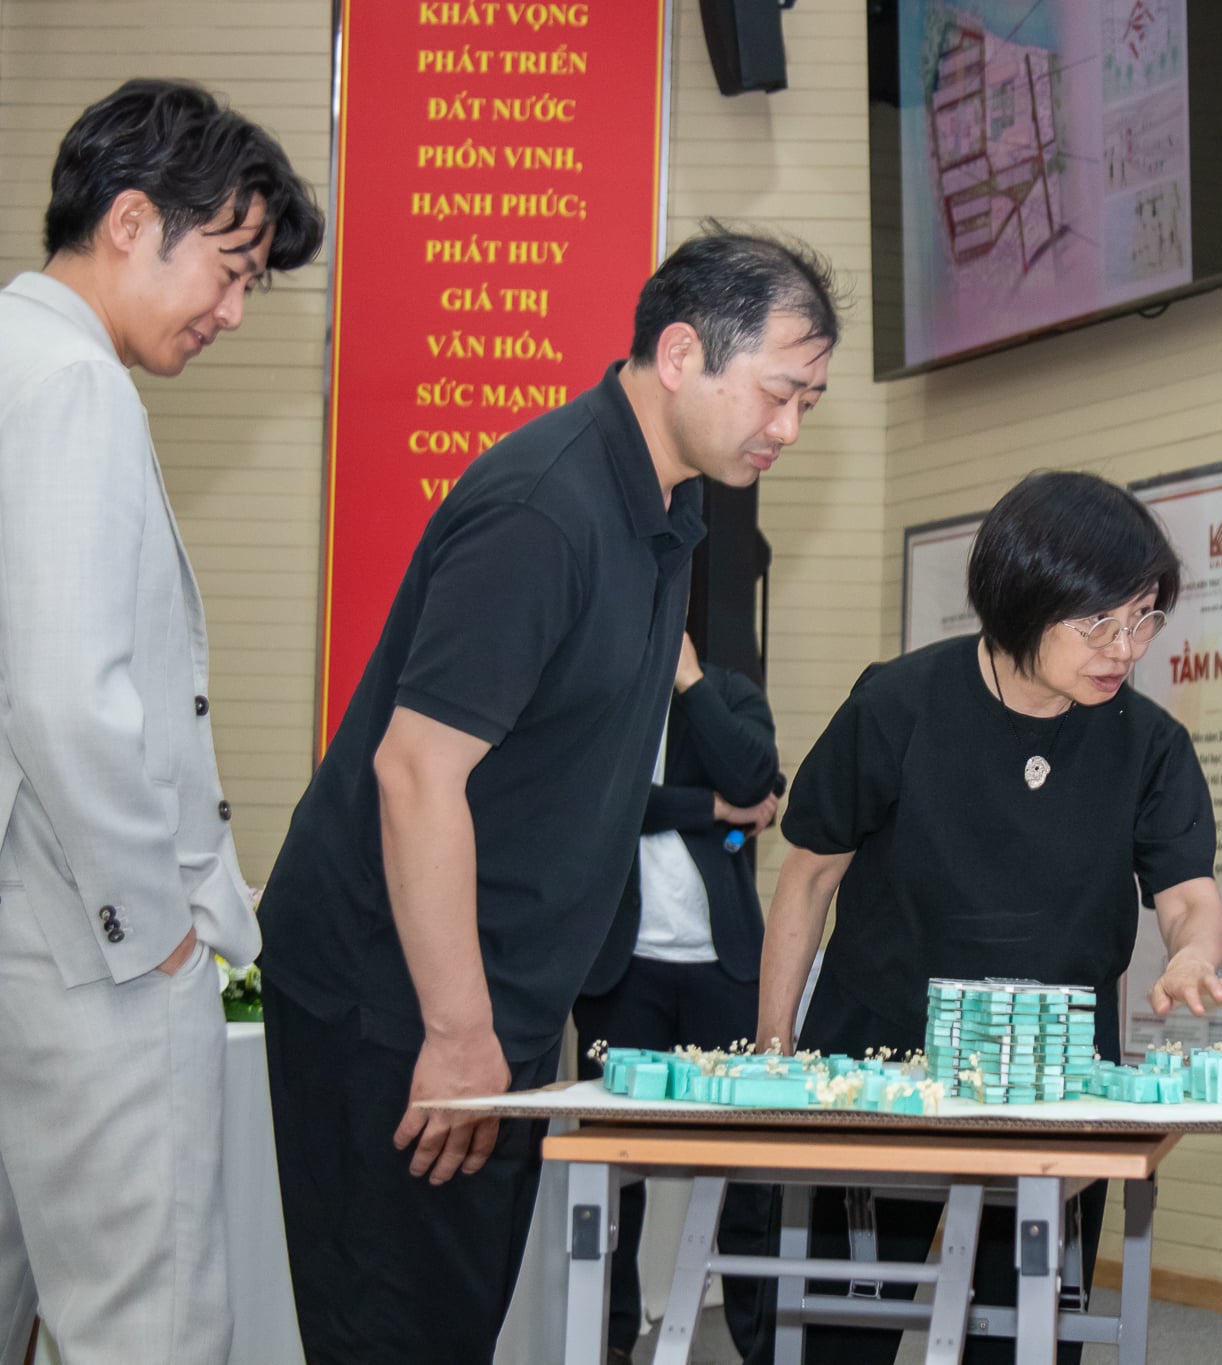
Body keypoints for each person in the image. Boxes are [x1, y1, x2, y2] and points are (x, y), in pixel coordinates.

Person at [255, 225, 839, 1364]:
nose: (788, 429)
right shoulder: (546, 506)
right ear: (683, 354)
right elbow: (415, 769)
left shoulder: (666, 513)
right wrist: (458, 1030)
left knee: (452, 1327)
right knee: (396, 1334)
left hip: (495, 1000)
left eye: (808, 404)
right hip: (397, 994)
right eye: (779, 394)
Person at [748, 469, 1222, 1364]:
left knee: (1030, 1339)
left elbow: (1188, 896)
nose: (1125, 647)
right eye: (1099, 622)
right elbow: (811, 874)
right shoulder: (898, 704)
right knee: (840, 1332)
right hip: (881, 1065)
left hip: (1057, 1083)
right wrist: (775, 1050)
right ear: (1022, 598)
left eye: (1144, 619)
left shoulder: (1149, 743)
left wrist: (1192, 956)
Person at [0, 79, 322, 1365]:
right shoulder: (73, 384)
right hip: (89, 942)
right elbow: (67, 698)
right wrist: (162, 937)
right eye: (231, 270)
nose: (234, 312)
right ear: (132, 222)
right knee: (151, 1326)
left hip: (33, 913)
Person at [573, 632, 783, 1363]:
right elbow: (602, 800)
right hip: (621, 969)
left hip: (724, 967)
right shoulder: (605, 693)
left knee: (749, 1170)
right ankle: (609, 1342)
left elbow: (754, 778)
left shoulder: (727, 693)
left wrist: (691, 683)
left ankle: (760, 1344)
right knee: (614, 1169)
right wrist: (712, 808)